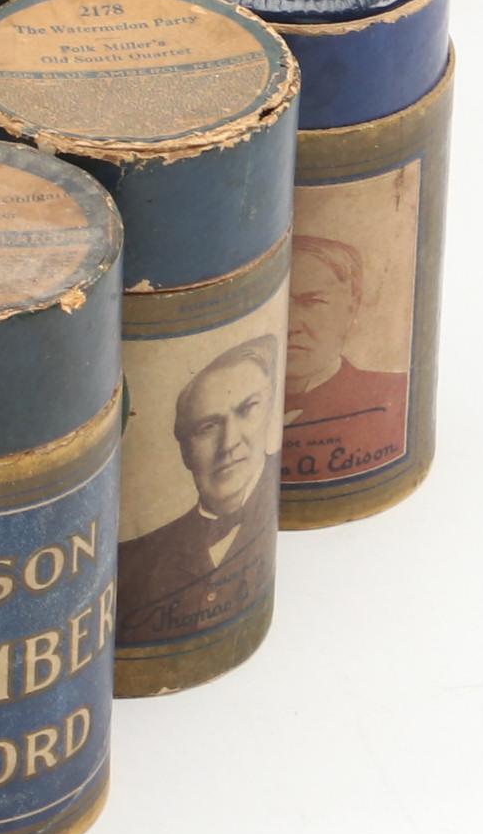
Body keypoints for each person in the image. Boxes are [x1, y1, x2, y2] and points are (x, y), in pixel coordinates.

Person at [118, 337, 278, 643]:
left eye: (246, 410)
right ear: (185, 451)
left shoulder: (270, 509)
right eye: (207, 428)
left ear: (270, 412)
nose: (229, 443)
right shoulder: (133, 561)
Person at [281, 231, 407, 476]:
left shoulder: (391, 394)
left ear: (352, 307)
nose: (291, 325)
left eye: (312, 302)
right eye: (280, 302)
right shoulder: (223, 407)